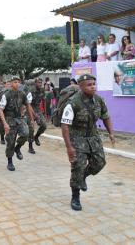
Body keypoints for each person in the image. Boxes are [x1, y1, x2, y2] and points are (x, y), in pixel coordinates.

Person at [60, 74, 115, 211]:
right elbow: (65, 126)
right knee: (78, 166)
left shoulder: (99, 100)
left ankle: (83, 176)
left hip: (93, 136)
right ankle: (75, 196)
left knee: (100, 163)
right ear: (81, 86)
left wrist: (111, 133)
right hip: (77, 138)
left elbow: (106, 117)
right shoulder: (73, 102)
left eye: (94, 84)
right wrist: (69, 147)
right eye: (89, 85)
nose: (93, 87)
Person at [0, 76, 35, 171]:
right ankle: (10, 161)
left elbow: (28, 105)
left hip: (19, 118)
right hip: (9, 119)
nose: (17, 84)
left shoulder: (22, 94)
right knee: (10, 141)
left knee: (26, 133)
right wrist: (5, 124)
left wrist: (31, 119)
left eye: (18, 82)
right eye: (15, 82)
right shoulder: (6, 95)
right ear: (11, 84)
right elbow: (1, 110)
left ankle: (17, 148)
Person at [27, 78, 47, 154]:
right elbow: (28, 104)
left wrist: (44, 112)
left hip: (37, 108)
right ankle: (30, 146)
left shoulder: (42, 90)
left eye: (41, 83)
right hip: (30, 109)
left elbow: (44, 101)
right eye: (38, 83)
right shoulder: (31, 91)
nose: (40, 84)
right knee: (31, 128)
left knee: (44, 125)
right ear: (35, 83)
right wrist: (34, 115)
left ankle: (36, 137)